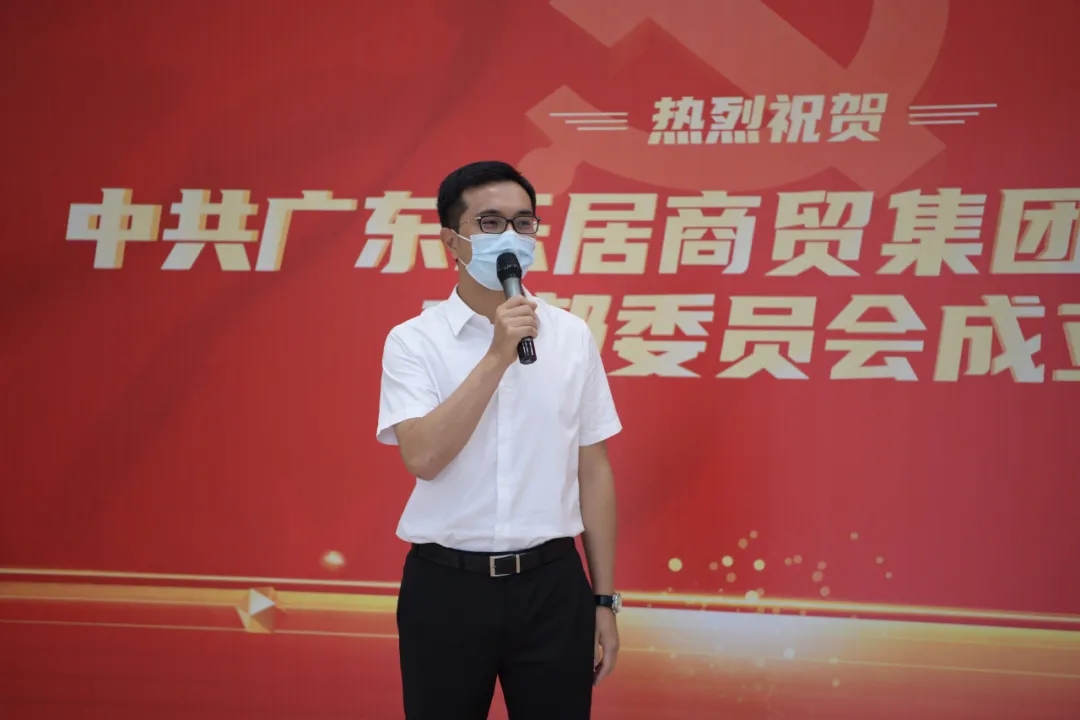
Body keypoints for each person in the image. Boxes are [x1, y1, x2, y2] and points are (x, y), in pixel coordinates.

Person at [375, 160, 623, 719]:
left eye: (523, 223)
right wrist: (496, 355)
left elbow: (594, 469)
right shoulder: (413, 342)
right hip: (446, 589)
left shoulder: (570, 336)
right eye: (489, 223)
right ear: (451, 241)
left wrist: (604, 599)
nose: (510, 236)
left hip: (552, 586)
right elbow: (424, 457)